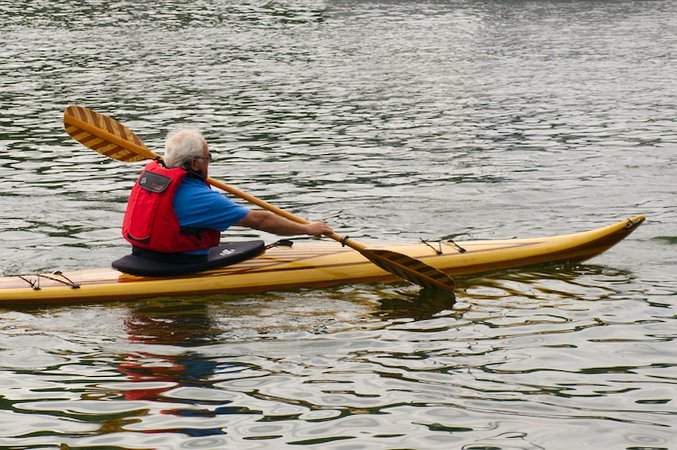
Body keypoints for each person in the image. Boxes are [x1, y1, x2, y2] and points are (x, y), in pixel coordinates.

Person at [121, 129, 333, 257]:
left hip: (143, 255)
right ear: (195, 163)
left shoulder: (151, 178)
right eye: (208, 158)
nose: (209, 163)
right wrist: (308, 229)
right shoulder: (200, 199)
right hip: (178, 262)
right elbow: (260, 220)